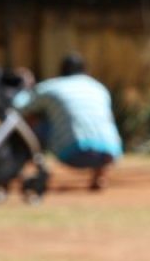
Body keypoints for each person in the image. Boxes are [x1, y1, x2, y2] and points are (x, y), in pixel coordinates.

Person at [12, 53, 122, 190]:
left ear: (61, 71)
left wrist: (24, 86)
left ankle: (38, 170)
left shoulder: (51, 87)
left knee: (34, 121)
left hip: (72, 151)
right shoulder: (99, 88)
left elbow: (18, 106)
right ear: (85, 70)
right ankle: (99, 174)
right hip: (110, 152)